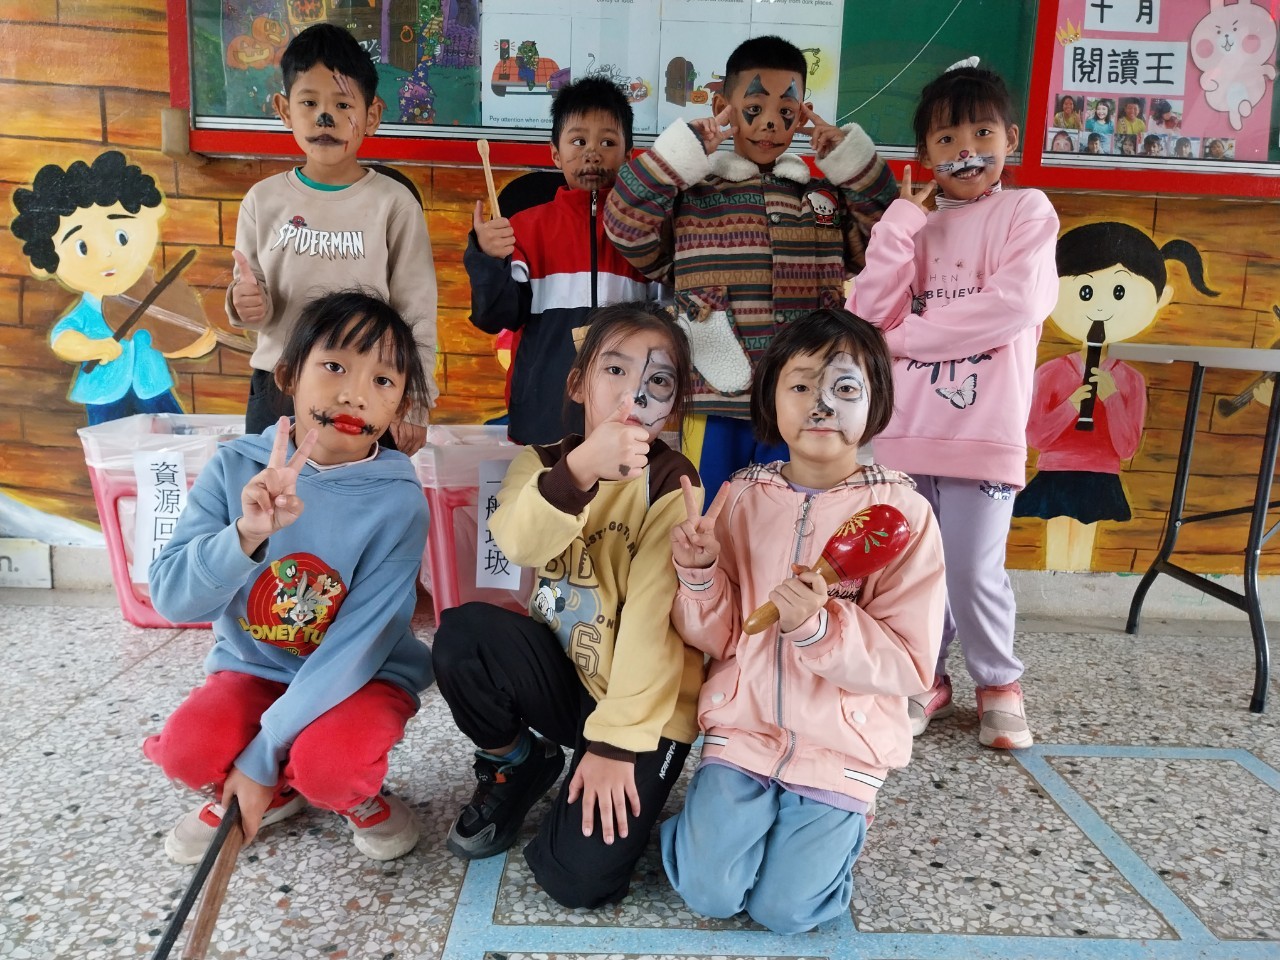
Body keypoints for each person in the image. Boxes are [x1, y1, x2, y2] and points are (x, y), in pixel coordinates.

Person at [661, 308, 946, 934]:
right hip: (743, 732)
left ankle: (840, 824)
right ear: (771, 398)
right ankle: (717, 822)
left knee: (785, 911)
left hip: (842, 748)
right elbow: (718, 636)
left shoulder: (902, 513)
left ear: (875, 403)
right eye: (800, 385)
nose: (821, 405)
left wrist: (820, 627)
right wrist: (700, 575)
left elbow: (909, 662)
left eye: (844, 387)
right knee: (709, 893)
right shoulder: (740, 496)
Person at [142, 290, 433, 864]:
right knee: (186, 753)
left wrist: (262, 752)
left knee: (331, 768)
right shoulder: (233, 468)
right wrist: (245, 535)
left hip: (359, 677)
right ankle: (277, 791)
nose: (354, 394)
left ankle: (339, 791)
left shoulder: (399, 501)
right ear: (288, 376)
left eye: (383, 381)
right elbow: (173, 600)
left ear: (398, 407)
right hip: (255, 669)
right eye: (334, 367)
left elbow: (357, 646)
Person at [431, 302, 704, 909]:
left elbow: (653, 627)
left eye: (658, 380)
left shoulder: (673, 483)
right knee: (463, 635)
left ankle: (623, 775)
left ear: (672, 405)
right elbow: (518, 543)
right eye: (615, 370)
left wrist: (614, 746)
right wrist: (578, 471)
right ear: (579, 383)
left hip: (642, 705)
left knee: (577, 880)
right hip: (565, 676)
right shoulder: (541, 462)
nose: (634, 394)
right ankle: (520, 762)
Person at [846, 61, 1059, 750]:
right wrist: (899, 223)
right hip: (907, 435)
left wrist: (906, 338)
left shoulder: (1027, 211)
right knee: (911, 572)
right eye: (947, 138)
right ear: (925, 153)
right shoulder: (915, 226)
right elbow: (868, 314)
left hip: (983, 433)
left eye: (982, 133)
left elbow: (1014, 306)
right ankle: (924, 678)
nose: (966, 149)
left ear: (1010, 139)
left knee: (972, 570)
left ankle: (998, 683)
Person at [605, 35, 896, 494]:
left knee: (794, 514)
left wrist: (849, 160)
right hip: (714, 397)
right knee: (707, 513)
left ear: (803, 114)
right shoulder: (691, 197)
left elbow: (885, 239)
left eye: (787, 111)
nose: (770, 124)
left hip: (805, 403)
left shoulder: (821, 197)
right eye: (754, 108)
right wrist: (684, 150)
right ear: (723, 107)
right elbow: (624, 222)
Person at [226, 23, 437, 454]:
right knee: (273, 491)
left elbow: (416, 308)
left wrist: (416, 400)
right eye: (309, 102)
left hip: (364, 390)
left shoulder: (393, 204)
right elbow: (251, 294)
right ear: (284, 109)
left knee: (361, 492)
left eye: (343, 104)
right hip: (279, 384)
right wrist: (244, 303)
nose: (326, 118)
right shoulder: (262, 200)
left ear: (371, 116)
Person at [466, 76, 660, 445]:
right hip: (543, 417)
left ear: (628, 155)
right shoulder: (526, 229)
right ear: (555, 153)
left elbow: (666, 324)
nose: (593, 153)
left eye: (608, 142)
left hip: (628, 416)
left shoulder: (646, 231)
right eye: (578, 141)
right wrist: (488, 258)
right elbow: (495, 317)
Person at [1014, 223, 1217, 568]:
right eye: (1085, 292)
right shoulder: (1050, 372)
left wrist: (1111, 399)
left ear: (1160, 299)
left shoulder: (1130, 380)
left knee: (1082, 551)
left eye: (1119, 292)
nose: (1100, 309)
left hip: (1101, 475)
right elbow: (1035, 437)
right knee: (1057, 548)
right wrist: (1072, 405)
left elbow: (1126, 447)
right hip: (1056, 472)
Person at [9, 150, 217, 424]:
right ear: (46, 260)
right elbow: (63, 339)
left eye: (121, 237)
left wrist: (191, 347)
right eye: (82, 247)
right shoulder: (86, 313)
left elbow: (166, 341)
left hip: (152, 386)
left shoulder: (149, 302)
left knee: (174, 434)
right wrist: (91, 348)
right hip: (104, 394)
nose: (107, 254)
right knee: (106, 442)